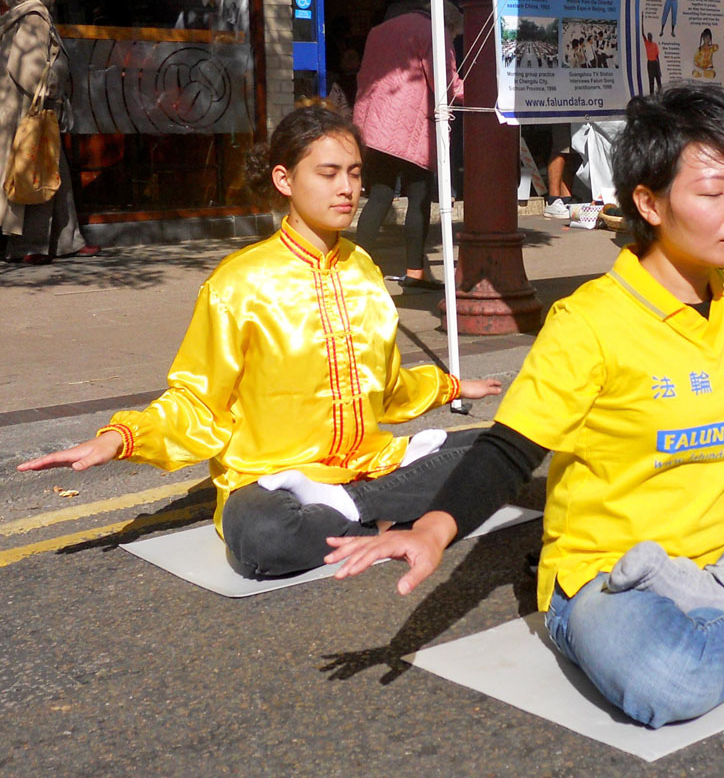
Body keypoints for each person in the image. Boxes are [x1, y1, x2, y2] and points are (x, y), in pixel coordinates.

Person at [326, 84, 724, 729]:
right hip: (608, 578)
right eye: (713, 193)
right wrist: (434, 529)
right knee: (671, 678)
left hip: (721, 555)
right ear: (648, 202)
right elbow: (508, 449)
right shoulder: (589, 321)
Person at [17, 104, 502, 578]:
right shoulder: (238, 283)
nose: (347, 189)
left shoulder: (364, 271)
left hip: (368, 467)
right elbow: (199, 403)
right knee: (265, 536)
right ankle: (384, 514)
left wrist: (452, 387)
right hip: (275, 484)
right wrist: (121, 437)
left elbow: (387, 387)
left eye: (354, 174)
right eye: (328, 173)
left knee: (500, 450)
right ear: (284, 180)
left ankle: (352, 507)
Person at [352, 1, 464, 291]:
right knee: (418, 199)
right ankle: (416, 272)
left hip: (374, 123)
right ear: (449, 24)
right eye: (454, 35)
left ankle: (354, 269)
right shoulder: (434, 31)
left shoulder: (379, 31)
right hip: (411, 127)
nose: (452, 39)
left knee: (379, 197)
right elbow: (445, 83)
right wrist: (478, 92)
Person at [0, 0, 97, 265]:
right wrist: (53, 87)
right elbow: (27, 69)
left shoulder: (29, 13)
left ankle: (67, 241)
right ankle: (28, 247)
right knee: (37, 174)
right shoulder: (34, 16)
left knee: (56, 174)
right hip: (33, 112)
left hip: (34, 112)